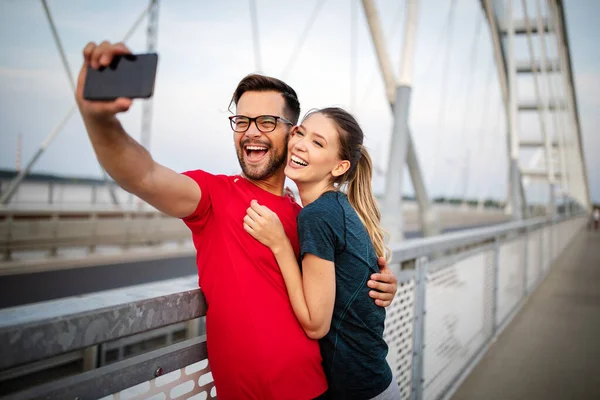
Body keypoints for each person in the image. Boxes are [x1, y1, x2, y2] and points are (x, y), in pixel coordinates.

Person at [75, 41, 399, 399]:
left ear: (292, 134)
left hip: (320, 390)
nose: (251, 131)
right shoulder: (215, 195)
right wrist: (99, 120)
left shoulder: (307, 214)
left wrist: (381, 285)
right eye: (242, 121)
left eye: (266, 121)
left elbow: (340, 286)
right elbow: (144, 175)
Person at [243, 108, 400, 399]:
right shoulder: (337, 207)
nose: (301, 144)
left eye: (318, 143)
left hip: (358, 392)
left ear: (339, 167)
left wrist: (279, 244)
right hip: (373, 382)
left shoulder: (317, 216)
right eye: (300, 133)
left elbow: (316, 324)